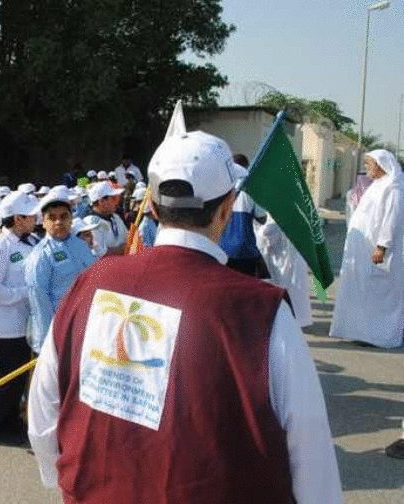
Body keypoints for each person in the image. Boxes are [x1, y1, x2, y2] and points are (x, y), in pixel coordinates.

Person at [27, 130, 342, 504]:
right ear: (226, 209)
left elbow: (44, 407)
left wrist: (63, 477)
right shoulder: (260, 311)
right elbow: (309, 443)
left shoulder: (91, 281)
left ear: (153, 207)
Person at [330, 149, 404, 348]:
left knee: (378, 293)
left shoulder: (393, 187)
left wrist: (382, 246)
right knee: (363, 292)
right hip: (363, 250)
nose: (366, 168)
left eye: (369, 164)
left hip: (378, 250)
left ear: (380, 165)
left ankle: (381, 335)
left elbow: (392, 220)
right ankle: (363, 332)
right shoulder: (378, 185)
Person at [0, 191, 37, 445]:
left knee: (18, 378)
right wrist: (25, 292)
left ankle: (11, 420)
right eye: (30, 215)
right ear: (17, 218)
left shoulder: (30, 240)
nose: (35, 218)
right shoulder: (1, 247)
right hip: (7, 326)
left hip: (24, 322)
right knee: (10, 378)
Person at [25, 187, 96, 354]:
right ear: (43, 222)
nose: (58, 222)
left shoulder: (81, 246)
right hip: (60, 334)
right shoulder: (40, 256)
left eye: (64, 216)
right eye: (52, 218)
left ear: (71, 219)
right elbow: (39, 304)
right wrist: (48, 344)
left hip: (86, 327)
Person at [255, 215, 312, 328]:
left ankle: (294, 319)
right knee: (291, 289)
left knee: (291, 290)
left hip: (287, 259)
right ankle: (294, 318)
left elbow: (267, 232)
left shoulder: (277, 220)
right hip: (288, 255)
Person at [219, 163, 268, 277]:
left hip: (222, 249)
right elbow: (262, 219)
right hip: (245, 251)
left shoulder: (220, 190)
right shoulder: (251, 191)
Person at [87, 182, 127, 257]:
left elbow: (126, 237)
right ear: (102, 201)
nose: (117, 202)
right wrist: (122, 249)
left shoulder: (116, 217)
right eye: (114, 198)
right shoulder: (90, 224)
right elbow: (99, 253)